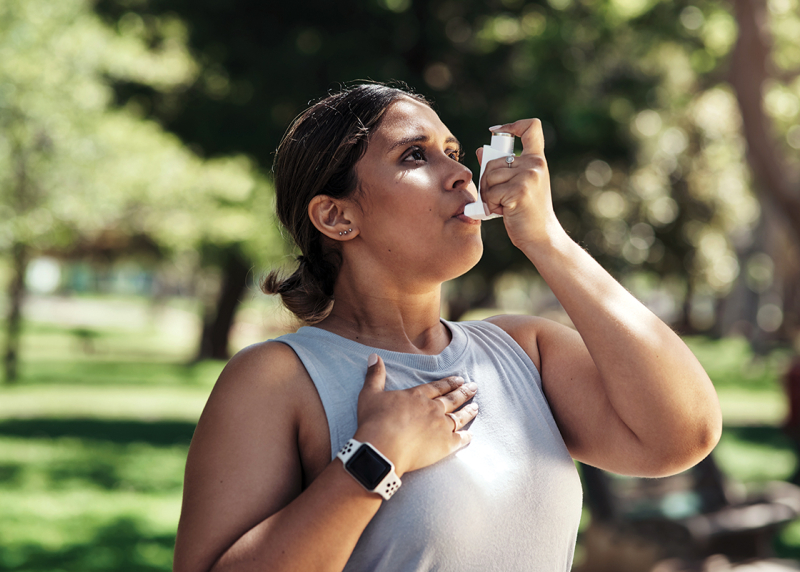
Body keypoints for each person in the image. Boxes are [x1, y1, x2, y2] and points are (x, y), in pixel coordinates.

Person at [172, 83, 722, 572]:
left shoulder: (524, 350)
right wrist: (375, 456)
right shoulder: (275, 380)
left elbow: (681, 435)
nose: (462, 173)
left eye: (454, 152)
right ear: (337, 216)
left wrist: (546, 238)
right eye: (416, 155)